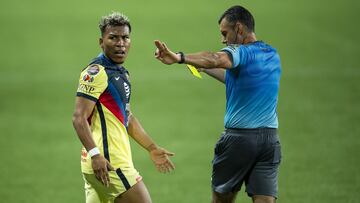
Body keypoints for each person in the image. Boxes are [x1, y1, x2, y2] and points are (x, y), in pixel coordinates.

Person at [154, 5, 282, 203]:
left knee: (221, 200)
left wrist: (179, 57)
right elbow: (236, 79)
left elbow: (215, 58)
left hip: (239, 140)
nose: (223, 39)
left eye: (225, 33)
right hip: (269, 141)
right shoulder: (271, 54)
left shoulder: (241, 52)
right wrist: (199, 65)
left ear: (239, 28)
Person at [72, 12, 175, 203]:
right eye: (113, 38)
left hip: (99, 162)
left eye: (125, 37)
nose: (120, 43)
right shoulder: (96, 72)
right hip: (108, 163)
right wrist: (96, 156)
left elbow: (126, 117)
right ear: (101, 41)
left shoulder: (120, 73)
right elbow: (78, 118)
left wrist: (151, 147)